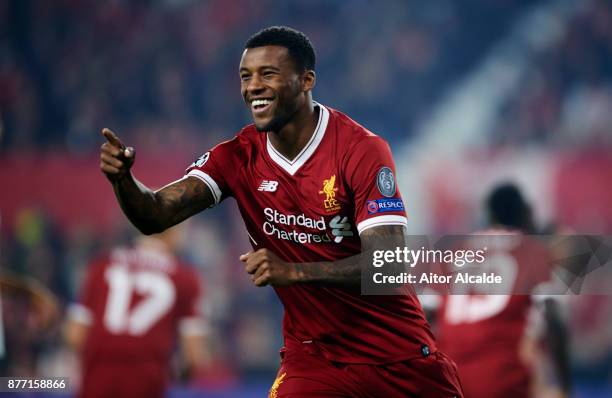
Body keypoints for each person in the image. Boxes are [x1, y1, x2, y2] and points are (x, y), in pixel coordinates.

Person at [99, 26, 463, 397]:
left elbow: (388, 263)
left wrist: (294, 271)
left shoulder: (360, 149)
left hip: (397, 358)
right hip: (314, 360)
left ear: (306, 80)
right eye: (245, 76)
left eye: (267, 74)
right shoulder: (237, 157)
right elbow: (154, 214)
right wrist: (123, 181)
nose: (252, 86)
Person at [430, 183, 570, 398]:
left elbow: (425, 315)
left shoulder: (452, 251)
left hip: (448, 380)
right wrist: (565, 385)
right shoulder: (533, 252)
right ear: (525, 215)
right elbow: (554, 320)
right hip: (502, 378)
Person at [64, 225, 209, 398]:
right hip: (147, 378)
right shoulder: (184, 277)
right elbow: (194, 355)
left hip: (97, 375)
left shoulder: (101, 265)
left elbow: (74, 335)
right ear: (174, 231)